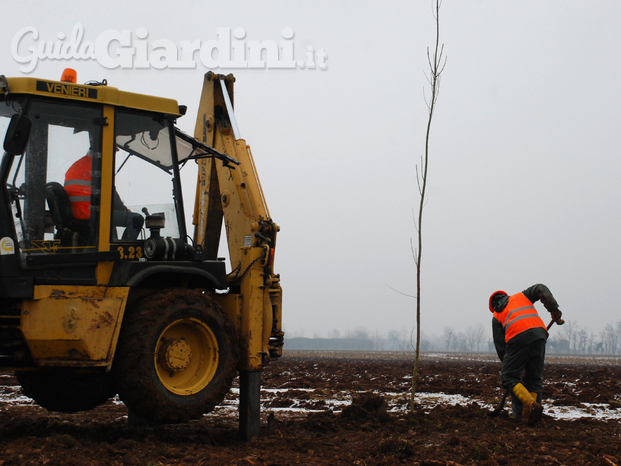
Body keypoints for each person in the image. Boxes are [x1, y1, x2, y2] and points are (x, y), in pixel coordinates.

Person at [489, 284, 564, 426]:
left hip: (517, 338)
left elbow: (501, 348)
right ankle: (529, 415)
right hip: (540, 335)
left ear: (493, 306)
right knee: (533, 379)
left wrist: (511, 366)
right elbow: (540, 288)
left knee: (508, 377)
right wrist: (553, 308)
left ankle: (530, 404)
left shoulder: (496, 315)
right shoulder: (521, 296)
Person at [64, 152, 144, 241]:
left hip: (75, 212)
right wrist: (124, 211)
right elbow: (111, 193)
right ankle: (121, 252)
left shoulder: (78, 164)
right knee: (136, 219)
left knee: (110, 217)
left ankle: (112, 246)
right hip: (89, 213)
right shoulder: (99, 165)